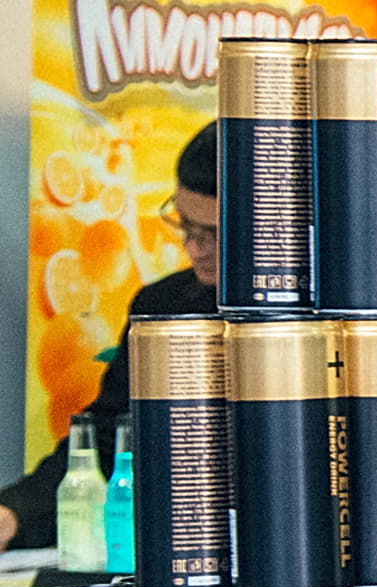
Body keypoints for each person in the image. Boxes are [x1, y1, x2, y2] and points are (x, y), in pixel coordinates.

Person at [0, 122, 220, 547]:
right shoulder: (163, 307)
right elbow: (110, 440)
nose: (193, 248)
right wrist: (15, 513)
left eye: (212, 234)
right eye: (184, 225)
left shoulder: (329, 317)